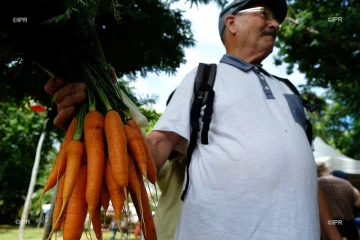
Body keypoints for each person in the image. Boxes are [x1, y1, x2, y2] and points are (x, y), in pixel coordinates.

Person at [44, 0, 344, 239]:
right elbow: (157, 147)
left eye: (275, 18)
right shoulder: (205, 78)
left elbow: (305, 172)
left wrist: (334, 235)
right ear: (232, 22)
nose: (275, 23)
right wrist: (92, 127)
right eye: (264, 14)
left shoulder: (289, 88)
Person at [318, 162, 360, 240]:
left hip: (329, 224)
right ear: (327, 169)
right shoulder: (345, 182)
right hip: (348, 224)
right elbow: (358, 202)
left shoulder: (316, 184)